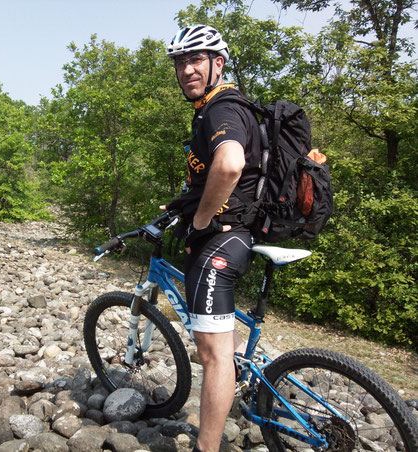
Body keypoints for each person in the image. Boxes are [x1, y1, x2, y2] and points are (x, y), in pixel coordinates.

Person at [165, 24, 261, 452]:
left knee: (213, 354)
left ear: (217, 63)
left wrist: (201, 222)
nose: (187, 69)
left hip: (221, 242)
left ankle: (207, 448)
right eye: (181, 62)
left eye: (196, 60)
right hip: (239, 236)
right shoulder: (218, 107)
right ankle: (244, 384)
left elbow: (228, 166)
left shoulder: (222, 107)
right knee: (224, 339)